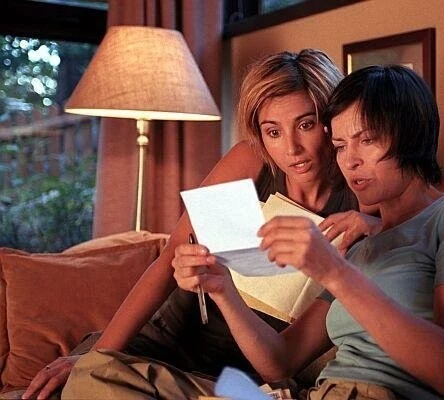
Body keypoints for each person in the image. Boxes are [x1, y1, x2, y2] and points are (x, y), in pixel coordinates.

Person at [23, 50, 378, 400]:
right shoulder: (250, 162)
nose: (292, 149)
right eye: (273, 131)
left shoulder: (359, 198)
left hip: (248, 372)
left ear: (331, 121)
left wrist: (374, 227)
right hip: (169, 341)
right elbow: (167, 262)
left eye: (306, 125)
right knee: (76, 385)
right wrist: (97, 355)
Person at [172, 64, 444, 399]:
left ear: (412, 135)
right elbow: (281, 362)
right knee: (122, 378)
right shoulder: (361, 247)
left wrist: (335, 273)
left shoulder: (437, 221)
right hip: (319, 393)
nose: (350, 161)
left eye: (367, 140)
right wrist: (222, 289)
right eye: (341, 145)